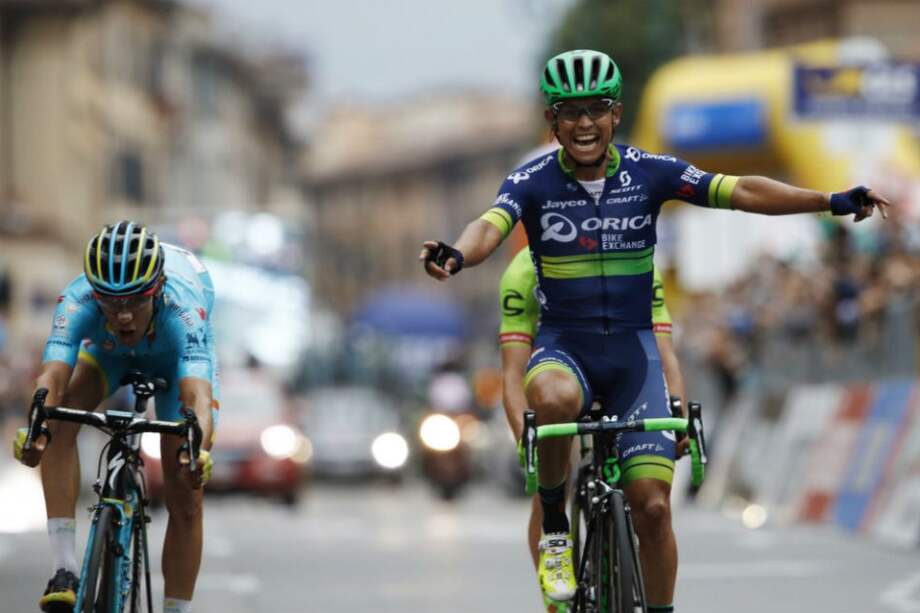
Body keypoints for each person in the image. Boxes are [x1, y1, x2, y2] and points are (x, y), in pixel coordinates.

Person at [420, 49, 890, 611]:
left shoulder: (651, 171)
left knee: (654, 508)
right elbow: (489, 228)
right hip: (565, 350)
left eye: (597, 109)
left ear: (616, 114)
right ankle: (553, 529)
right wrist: (456, 254)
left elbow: (739, 191)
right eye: (570, 111)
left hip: (633, 358)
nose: (585, 123)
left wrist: (828, 200)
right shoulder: (531, 181)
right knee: (550, 395)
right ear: (554, 122)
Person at [12, 221, 219, 613]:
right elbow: (51, 376)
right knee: (57, 420)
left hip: (175, 363)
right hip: (108, 354)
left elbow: (198, 395)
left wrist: (198, 449)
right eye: (111, 302)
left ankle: (177, 608)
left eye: (135, 302)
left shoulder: (183, 309)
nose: (123, 316)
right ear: (95, 294)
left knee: (185, 489)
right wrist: (36, 426)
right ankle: (64, 569)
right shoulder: (77, 300)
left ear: (156, 290)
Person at [499, 246, 685, 612]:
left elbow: (664, 355)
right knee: (553, 471)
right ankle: (557, 603)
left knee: (655, 508)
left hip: (628, 372)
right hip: (559, 373)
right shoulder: (524, 271)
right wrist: (526, 434)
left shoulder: (636, 258)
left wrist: (677, 412)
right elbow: (511, 372)